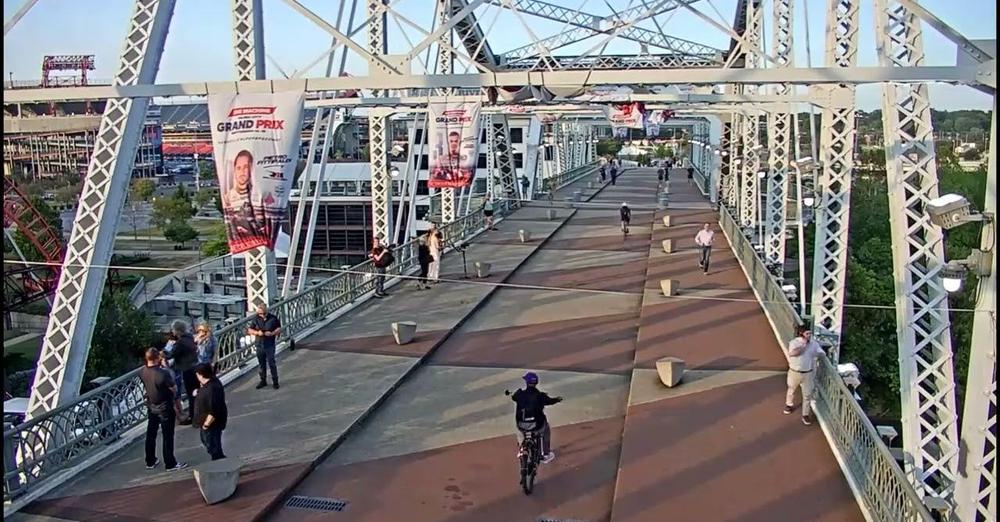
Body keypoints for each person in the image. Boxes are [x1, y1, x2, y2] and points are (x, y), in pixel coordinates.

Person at [139, 348, 187, 471]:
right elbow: (174, 388)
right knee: (167, 436)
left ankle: (150, 461)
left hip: (152, 406)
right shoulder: (162, 373)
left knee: (151, 434)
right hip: (165, 407)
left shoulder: (142, 371)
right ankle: (170, 463)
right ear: (157, 358)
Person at [510, 372, 562, 464]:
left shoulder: (519, 394)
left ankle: (521, 449)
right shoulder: (540, 396)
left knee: (519, 431)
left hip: (522, 425)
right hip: (537, 425)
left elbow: (513, 397)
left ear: (526, 382)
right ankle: (545, 454)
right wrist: (557, 399)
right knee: (545, 430)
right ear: (536, 383)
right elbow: (550, 401)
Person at [784, 325, 825, 425]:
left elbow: (821, 353)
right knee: (791, 389)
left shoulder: (814, 344)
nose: (809, 335)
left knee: (807, 395)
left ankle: (805, 415)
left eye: (810, 333)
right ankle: (789, 404)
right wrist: (804, 346)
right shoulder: (794, 343)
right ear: (801, 334)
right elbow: (793, 353)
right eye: (807, 334)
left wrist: (818, 354)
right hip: (795, 372)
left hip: (808, 373)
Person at [222, 150, 265, 243]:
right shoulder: (228, 197)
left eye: (246, 167)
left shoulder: (260, 194)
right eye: (238, 168)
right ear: (234, 171)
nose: (242, 171)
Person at [193, 363, 228, 461]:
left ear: (200, 375)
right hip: (210, 421)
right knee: (211, 442)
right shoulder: (212, 383)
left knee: (212, 444)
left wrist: (206, 425)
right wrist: (199, 391)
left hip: (211, 423)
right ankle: (218, 458)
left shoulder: (211, 390)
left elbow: (213, 411)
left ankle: (219, 462)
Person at [248, 302, 282, 390]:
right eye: (259, 313)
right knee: (261, 364)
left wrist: (272, 333)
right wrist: (257, 332)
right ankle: (263, 380)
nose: (261, 315)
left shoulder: (273, 318)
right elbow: (250, 330)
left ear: (266, 311)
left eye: (263, 313)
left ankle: (275, 381)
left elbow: (279, 328)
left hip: (269, 344)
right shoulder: (256, 319)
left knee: (271, 363)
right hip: (259, 344)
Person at [171, 320, 199, 423]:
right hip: (195, 367)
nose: (172, 332)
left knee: (191, 394)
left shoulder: (180, 343)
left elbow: (171, 354)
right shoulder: (190, 337)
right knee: (196, 392)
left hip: (187, 370)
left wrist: (165, 351)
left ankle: (193, 417)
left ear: (177, 331)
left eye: (173, 330)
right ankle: (198, 414)